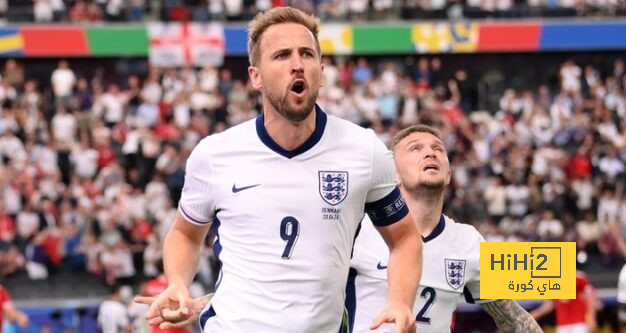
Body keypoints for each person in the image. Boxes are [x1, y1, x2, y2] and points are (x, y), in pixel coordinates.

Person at [143, 6, 422, 333]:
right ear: (255, 76)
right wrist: (177, 281)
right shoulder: (215, 154)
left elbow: (405, 237)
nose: (296, 64)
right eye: (282, 55)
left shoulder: (364, 149)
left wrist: (401, 301)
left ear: (321, 68)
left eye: (306, 54)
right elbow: (185, 234)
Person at [348, 125, 542, 332]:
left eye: (439, 149)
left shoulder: (468, 240)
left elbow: (516, 319)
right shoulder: (358, 228)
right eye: (415, 148)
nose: (431, 153)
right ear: (392, 172)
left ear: (449, 173)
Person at [530, 271, 600, 333]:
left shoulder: (578, 277)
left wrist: (591, 317)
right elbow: (552, 303)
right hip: (562, 324)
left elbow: (590, 295)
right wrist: (534, 314)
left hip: (578, 323)